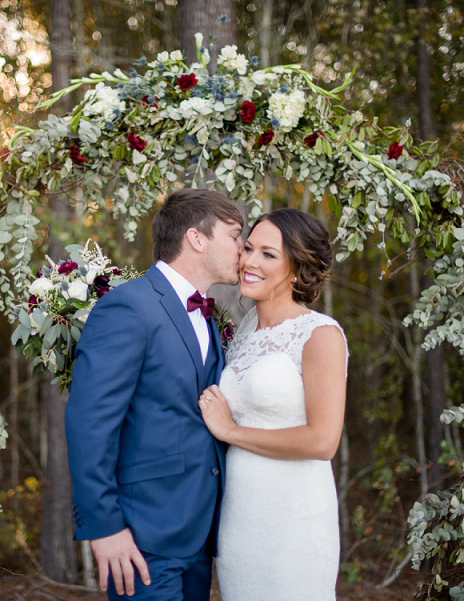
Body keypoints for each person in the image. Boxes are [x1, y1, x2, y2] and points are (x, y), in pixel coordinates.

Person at [65, 188, 244, 600]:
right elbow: (90, 424)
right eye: (234, 236)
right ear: (196, 238)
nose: (242, 249)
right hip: (140, 536)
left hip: (198, 535)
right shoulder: (129, 307)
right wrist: (104, 527)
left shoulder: (208, 316)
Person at [197, 208, 348, 600]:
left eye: (268, 254)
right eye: (248, 248)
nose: (249, 261)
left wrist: (231, 431)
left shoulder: (320, 334)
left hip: (293, 519)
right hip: (239, 518)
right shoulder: (242, 337)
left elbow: (323, 441)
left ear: (297, 270)